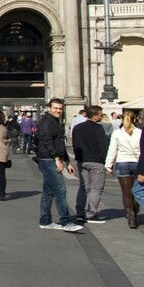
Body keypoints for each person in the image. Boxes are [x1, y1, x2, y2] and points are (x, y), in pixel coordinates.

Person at [34, 98, 83, 232]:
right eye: (55, 108)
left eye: (60, 108)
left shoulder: (55, 122)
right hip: (48, 159)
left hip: (52, 158)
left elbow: (60, 144)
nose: (58, 111)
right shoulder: (46, 123)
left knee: (48, 192)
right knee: (60, 190)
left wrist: (68, 162)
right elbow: (47, 142)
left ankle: (45, 220)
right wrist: (57, 159)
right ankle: (66, 221)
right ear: (49, 108)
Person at [105, 109, 142, 229]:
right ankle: (135, 208)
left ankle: (130, 216)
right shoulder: (140, 132)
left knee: (126, 191)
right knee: (138, 191)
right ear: (135, 120)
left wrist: (108, 165)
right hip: (138, 163)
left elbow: (112, 150)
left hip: (122, 162)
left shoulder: (117, 133)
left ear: (122, 119)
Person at [73, 105, 110, 223]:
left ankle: (79, 212)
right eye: (100, 114)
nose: (101, 116)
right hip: (96, 161)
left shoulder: (78, 128)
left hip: (82, 160)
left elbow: (75, 144)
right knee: (96, 189)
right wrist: (105, 161)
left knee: (83, 187)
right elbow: (103, 147)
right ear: (94, 116)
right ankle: (91, 213)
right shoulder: (98, 128)